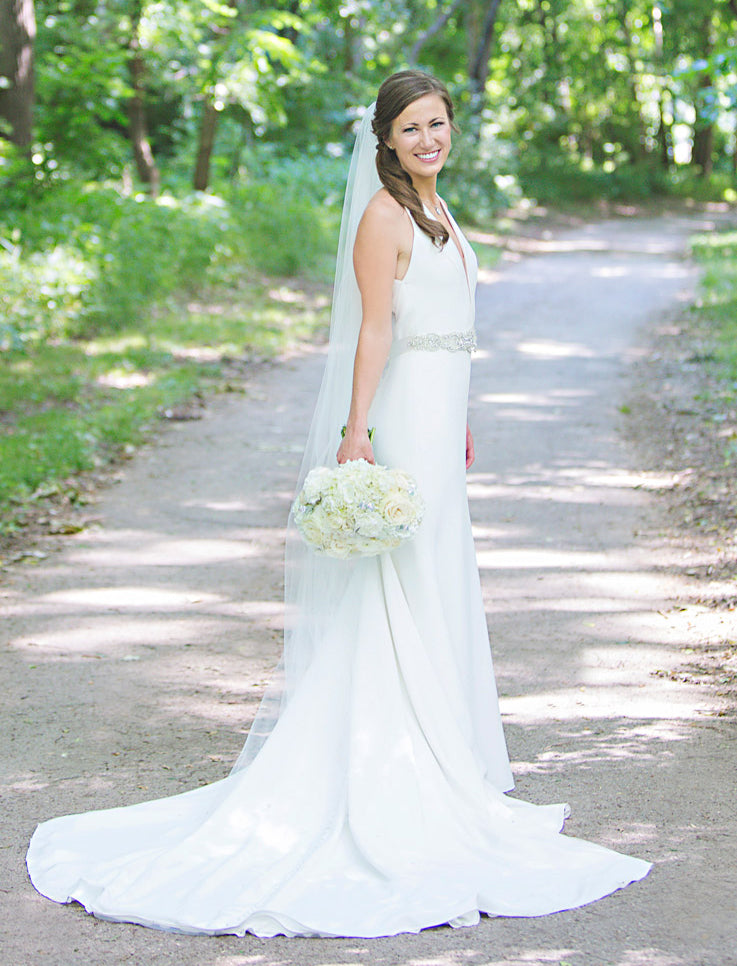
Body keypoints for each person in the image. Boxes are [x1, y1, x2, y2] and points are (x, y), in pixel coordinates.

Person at [26, 70, 651, 938]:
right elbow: (375, 330)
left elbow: (449, 328)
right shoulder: (384, 217)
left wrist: (459, 418)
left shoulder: (439, 207)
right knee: (395, 585)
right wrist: (358, 435)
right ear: (384, 140)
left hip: (438, 416)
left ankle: (438, 752)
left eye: (437, 124)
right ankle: (384, 760)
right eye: (410, 129)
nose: (427, 140)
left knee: (436, 576)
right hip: (397, 418)